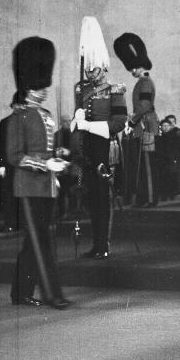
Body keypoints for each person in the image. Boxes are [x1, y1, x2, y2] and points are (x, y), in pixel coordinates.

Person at [7, 36, 71, 309]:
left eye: (44, 87)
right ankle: (51, 294)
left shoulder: (45, 115)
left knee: (35, 243)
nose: (43, 91)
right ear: (26, 88)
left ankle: (20, 292)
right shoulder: (18, 117)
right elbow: (14, 156)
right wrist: (45, 165)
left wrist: (58, 157)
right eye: (37, 88)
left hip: (47, 186)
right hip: (29, 186)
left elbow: (45, 149)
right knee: (41, 242)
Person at [71, 17, 127, 259]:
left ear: (103, 68)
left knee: (103, 197)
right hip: (87, 149)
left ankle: (104, 243)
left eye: (93, 68)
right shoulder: (81, 90)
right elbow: (79, 123)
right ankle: (96, 242)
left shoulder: (115, 90)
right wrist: (77, 118)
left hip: (106, 147)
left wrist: (89, 125)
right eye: (87, 68)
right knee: (90, 197)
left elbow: (118, 123)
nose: (89, 72)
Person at [114, 31, 158, 207]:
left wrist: (132, 121)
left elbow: (145, 106)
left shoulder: (145, 82)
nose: (131, 70)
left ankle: (149, 198)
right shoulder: (141, 83)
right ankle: (143, 197)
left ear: (140, 65)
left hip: (146, 125)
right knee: (142, 163)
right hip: (142, 124)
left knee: (147, 165)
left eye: (133, 67)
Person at [0, 92, 25, 232]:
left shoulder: (28, 122)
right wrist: (0, 165)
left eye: (22, 105)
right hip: (9, 165)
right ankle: (10, 223)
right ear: (13, 106)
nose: (19, 107)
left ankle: (24, 223)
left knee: (24, 195)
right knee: (9, 195)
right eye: (17, 105)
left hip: (25, 165)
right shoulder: (4, 123)